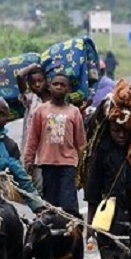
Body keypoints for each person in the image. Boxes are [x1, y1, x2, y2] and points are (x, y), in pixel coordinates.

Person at [83, 80, 131, 259]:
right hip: (110, 216)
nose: (121, 135)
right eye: (116, 130)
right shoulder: (102, 150)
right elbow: (93, 190)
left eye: (125, 131)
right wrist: (90, 226)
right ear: (108, 129)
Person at [23, 72, 87, 217]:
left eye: (62, 85)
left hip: (68, 164)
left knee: (68, 204)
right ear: (49, 87)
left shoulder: (74, 112)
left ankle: (72, 234)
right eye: (55, 84)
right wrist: (28, 161)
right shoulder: (41, 111)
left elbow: (81, 143)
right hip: (47, 164)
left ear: (68, 89)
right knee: (50, 205)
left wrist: (83, 167)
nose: (58, 87)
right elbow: (33, 138)